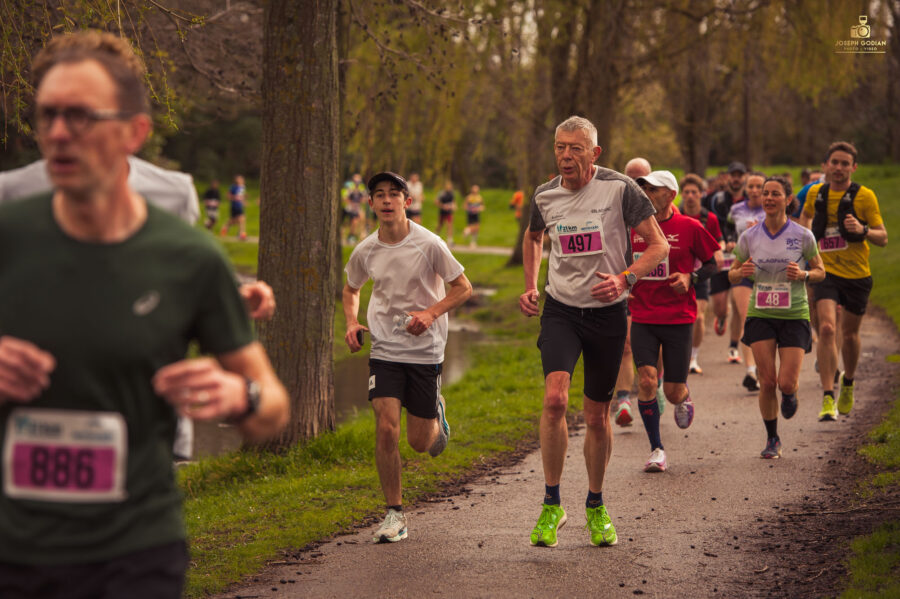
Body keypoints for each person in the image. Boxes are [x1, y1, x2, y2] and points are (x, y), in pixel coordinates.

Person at [0, 30, 289, 598]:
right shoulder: (9, 235)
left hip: (136, 550)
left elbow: (272, 408)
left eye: (80, 116)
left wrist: (240, 398)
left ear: (134, 132)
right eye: (47, 115)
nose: (58, 133)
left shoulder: (189, 258)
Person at [519, 116, 667, 548]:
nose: (566, 156)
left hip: (606, 313)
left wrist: (625, 279)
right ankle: (551, 504)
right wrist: (531, 284)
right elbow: (533, 237)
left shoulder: (622, 189)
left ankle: (596, 505)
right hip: (561, 310)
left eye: (575, 149)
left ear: (594, 153)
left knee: (598, 416)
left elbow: (658, 246)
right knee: (554, 399)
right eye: (560, 148)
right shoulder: (545, 194)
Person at [343, 172, 472, 544]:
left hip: (425, 349)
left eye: (393, 194)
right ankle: (394, 515)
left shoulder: (429, 243)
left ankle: (436, 413)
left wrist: (431, 314)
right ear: (370, 203)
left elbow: (463, 288)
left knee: (420, 442)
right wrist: (352, 321)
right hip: (384, 346)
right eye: (379, 195)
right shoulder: (365, 249)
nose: (386, 201)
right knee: (386, 427)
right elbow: (351, 288)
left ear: (407, 201)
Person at [629, 171, 720, 472]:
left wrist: (690, 276)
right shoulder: (632, 228)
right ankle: (657, 448)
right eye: (642, 189)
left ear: (670, 194)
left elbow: (713, 263)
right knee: (646, 380)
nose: (645, 194)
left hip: (679, 318)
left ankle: (684, 396)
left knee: (672, 390)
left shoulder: (689, 227)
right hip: (642, 315)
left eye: (651, 189)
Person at [730, 176, 825, 457]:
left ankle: (791, 393)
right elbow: (732, 273)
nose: (768, 198)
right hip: (761, 314)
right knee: (767, 380)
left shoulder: (803, 235)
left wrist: (805, 274)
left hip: (794, 314)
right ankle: (772, 439)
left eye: (775, 194)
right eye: (765, 193)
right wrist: (741, 272)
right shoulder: (749, 236)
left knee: (785, 383)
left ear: (787, 199)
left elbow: (821, 271)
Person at [799, 142, 888, 420]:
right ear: (825, 165)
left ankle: (848, 381)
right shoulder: (816, 193)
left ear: (853, 167)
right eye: (834, 162)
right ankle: (828, 397)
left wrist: (862, 230)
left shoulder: (865, 197)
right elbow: (805, 219)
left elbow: (882, 237)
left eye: (844, 163)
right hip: (826, 272)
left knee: (849, 335)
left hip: (857, 275)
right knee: (826, 328)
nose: (838, 168)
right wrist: (802, 239)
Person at [611, 157, 652, 427]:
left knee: (651, 347)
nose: (636, 185)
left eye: (642, 181)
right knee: (625, 345)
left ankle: (654, 384)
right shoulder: (615, 207)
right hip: (626, 287)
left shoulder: (657, 211)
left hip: (656, 291)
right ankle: (624, 399)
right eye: (630, 179)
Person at [679, 174, 725, 375]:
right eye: (686, 192)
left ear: (701, 194)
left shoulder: (709, 218)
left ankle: (693, 357)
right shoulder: (674, 214)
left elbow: (718, 241)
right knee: (679, 319)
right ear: (681, 194)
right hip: (678, 274)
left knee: (698, 318)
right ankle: (678, 354)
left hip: (701, 274)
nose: (690, 196)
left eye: (694, 192)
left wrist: (719, 250)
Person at [727, 171, 767, 391]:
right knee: (746, 317)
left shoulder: (772, 210)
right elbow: (729, 231)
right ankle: (751, 370)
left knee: (762, 319)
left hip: (767, 271)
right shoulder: (736, 210)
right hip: (742, 268)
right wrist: (730, 243)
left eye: (758, 186)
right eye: (750, 186)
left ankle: (763, 368)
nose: (753, 190)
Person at [706, 161, 748, 343]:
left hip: (744, 256)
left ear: (744, 177)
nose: (737, 179)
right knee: (720, 306)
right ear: (728, 177)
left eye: (740, 175)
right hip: (721, 254)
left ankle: (734, 344)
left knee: (741, 306)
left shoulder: (751, 199)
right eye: (734, 175)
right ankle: (722, 316)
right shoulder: (716, 199)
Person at [220, 174, 248, 240]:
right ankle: (241, 234)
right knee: (241, 219)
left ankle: (224, 228)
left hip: (240, 205)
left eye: (241, 179)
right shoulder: (233, 187)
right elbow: (228, 196)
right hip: (235, 205)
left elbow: (241, 196)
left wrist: (244, 202)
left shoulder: (243, 187)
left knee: (235, 220)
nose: (240, 180)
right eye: (239, 179)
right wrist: (234, 198)